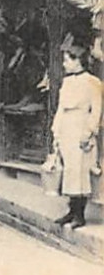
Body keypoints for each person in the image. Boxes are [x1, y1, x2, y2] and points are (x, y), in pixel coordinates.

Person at [52, 36, 102, 229]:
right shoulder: (67, 82)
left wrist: (89, 132)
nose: (64, 64)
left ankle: (80, 215)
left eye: (67, 60)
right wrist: (56, 132)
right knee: (69, 170)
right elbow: (61, 108)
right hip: (67, 127)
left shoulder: (93, 82)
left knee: (80, 171)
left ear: (77, 61)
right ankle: (71, 211)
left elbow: (96, 110)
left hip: (81, 128)